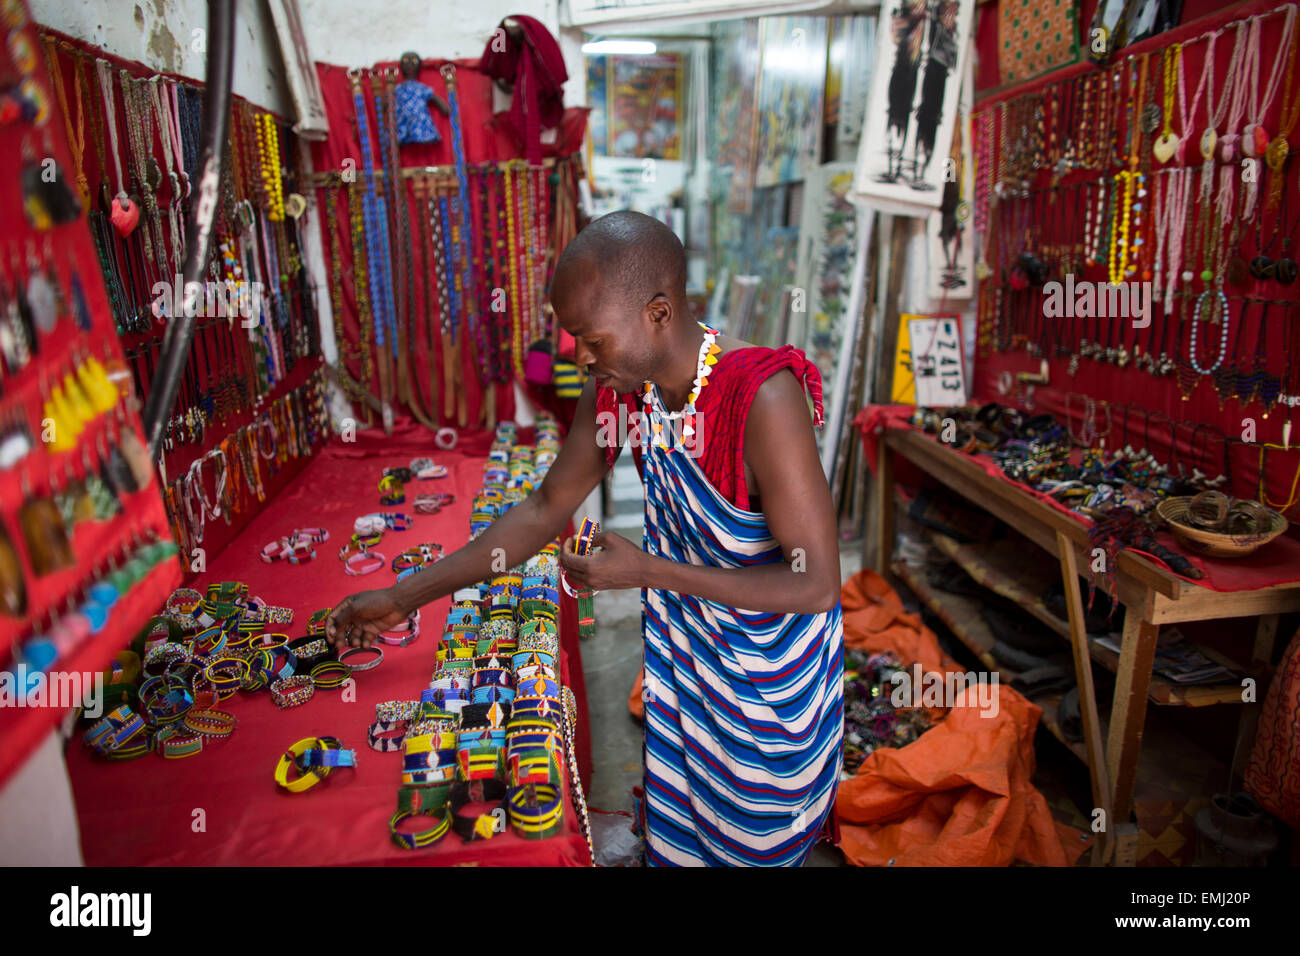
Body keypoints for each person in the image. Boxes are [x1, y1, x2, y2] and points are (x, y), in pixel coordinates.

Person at [325, 210, 844, 866]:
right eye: (573, 338)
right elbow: (545, 507)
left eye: (591, 338)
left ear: (659, 312)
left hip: (769, 696)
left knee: (748, 840)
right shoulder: (624, 392)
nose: (579, 357)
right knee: (683, 827)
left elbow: (817, 582)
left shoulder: (762, 401)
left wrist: (648, 571)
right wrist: (408, 595)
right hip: (689, 673)